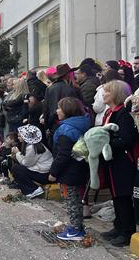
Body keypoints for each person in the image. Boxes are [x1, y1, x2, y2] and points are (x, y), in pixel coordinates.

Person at [99, 80, 138, 246]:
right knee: (115, 195)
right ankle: (119, 225)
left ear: (116, 94)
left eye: (107, 91)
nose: (103, 94)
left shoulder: (123, 114)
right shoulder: (110, 112)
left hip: (123, 161)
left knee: (123, 195)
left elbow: (127, 139)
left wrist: (106, 143)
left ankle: (127, 231)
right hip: (112, 160)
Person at [48, 98, 91, 241]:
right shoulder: (82, 123)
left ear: (67, 111)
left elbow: (63, 155)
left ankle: (75, 230)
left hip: (69, 172)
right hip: (79, 168)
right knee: (77, 199)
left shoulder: (66, 129)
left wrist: (53, 172)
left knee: (72, 200)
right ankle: (78, 227)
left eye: (59, 108)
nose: (57, 111)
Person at [10, 125, 54, 198]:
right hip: (44, 173)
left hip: (44, 176)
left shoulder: (31, 147)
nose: (18, 138)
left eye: (20, 136)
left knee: (16, 168)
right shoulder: (35, 145)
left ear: (26, 137)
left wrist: (17, 153)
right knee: (17, 166)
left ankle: (33, 189)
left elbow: (25, 163)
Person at [43, 64, 78, 137]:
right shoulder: (70, 89)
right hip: (68, 124)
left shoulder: (50, 88)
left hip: (53, 124)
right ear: (67, 75)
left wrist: (46, 126)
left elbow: (46, 109)